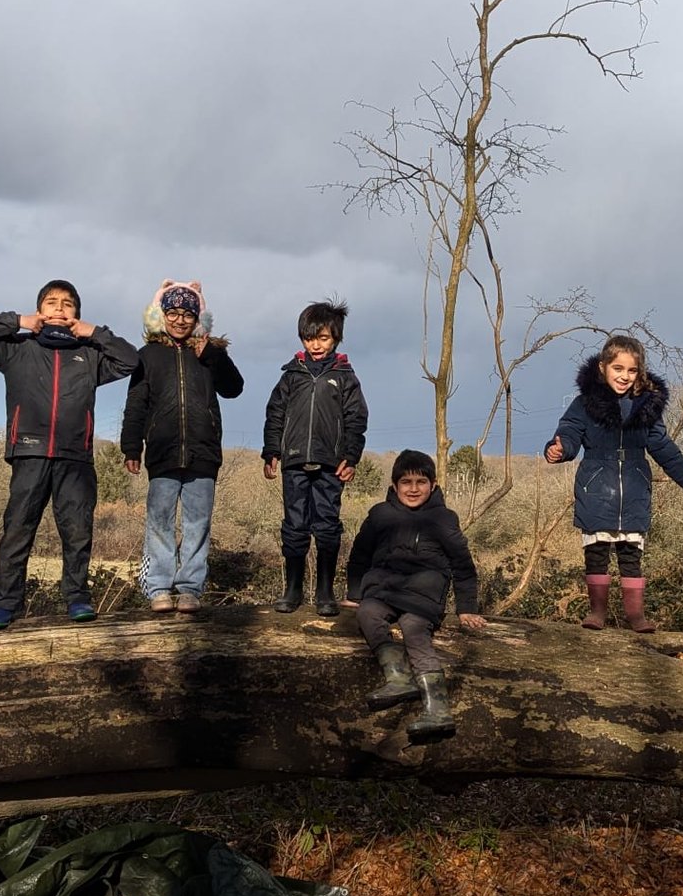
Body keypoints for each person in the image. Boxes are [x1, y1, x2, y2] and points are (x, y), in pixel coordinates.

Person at [0, 280, 139, 630]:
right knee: (17, 531)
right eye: (51, 302)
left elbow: (130, 360)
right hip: (29, 452)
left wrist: (95, 333)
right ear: (40, 310)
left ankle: (77, 599)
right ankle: (5, 604)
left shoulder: (90, 355)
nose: (59, 308)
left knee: (77, 533)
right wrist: (18, 321)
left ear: (77, 314)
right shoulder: (16, 350)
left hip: (75, 457)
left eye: (68, 304)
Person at [545, 333, 683, 633]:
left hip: (634, 489)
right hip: (595, 487)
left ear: (640, 373)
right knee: (596, 553)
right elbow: (568, 433)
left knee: (631, 556)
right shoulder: (584, 404)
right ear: (603, 368)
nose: (624, 376)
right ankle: (597, 614)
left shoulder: (647, 407)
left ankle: (636, 617)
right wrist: (559, 449)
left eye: (631, 371)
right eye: (618, 369)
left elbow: (661, 445)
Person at [344, 449, 487, 742]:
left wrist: (466, 608)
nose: (413, 488)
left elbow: (462, 565)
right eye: (406, 482)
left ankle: (438, 710)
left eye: (421, 482)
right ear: (394, 485)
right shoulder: (379, 514)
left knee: (413, 628)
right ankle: (397, 679)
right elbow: (359, 555)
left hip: (424, 592)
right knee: (368, 613)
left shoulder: (444, 518)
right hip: (383, 587)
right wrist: (354, 594)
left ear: (433, 485)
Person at [121, 281, 244, 615]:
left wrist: (215, 356)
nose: (180, 320)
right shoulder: (146, 356)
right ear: (161, 316)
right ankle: (159, 587)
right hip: (162, 453)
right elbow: (136, 405)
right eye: (173, 313)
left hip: (203, 454)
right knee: (159, 521)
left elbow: (234, 388)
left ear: (197, 318)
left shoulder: (208, 352)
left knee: (197, 524)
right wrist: (131, 446)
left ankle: (190, 588)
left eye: (187, 314)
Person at [262, 300, 368, 617]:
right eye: (310, 338)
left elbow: (356, 419)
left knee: (327, 526)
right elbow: (275, 414)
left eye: (323, 338)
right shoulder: (291, 375)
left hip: (331, 463)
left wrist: (351, 456)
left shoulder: (345, 377)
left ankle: (325, 592)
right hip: (294, 461)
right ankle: (292, 589)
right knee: (294, 525)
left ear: (336, 337)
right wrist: (271, 451)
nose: (316, 344)